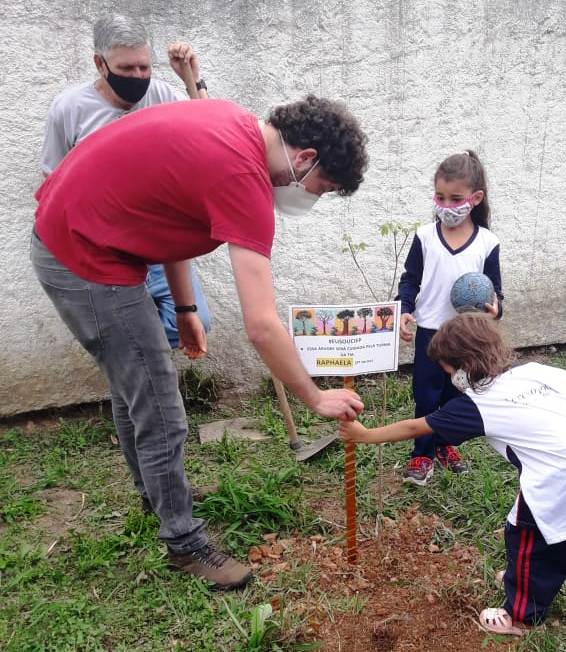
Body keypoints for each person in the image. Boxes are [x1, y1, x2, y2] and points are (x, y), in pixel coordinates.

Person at [31, 93, 368, 589]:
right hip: (79, 253)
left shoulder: (233, 124)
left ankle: (157, 497)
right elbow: (261, 324)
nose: (315, 197)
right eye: (324, 186)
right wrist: (315, 397)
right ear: (304, 158)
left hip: (91, 236)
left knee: (136, 382)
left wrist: (186, 309)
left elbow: (168, 220)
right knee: (157, 395)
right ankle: (184, 542)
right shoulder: (244, 179)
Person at [340, 313, 566, 636]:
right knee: (558, 531)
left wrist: (365, 434)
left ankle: (521, 614)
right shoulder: (536, 371)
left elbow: (418, 426)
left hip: (560, 471)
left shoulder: (479, 403)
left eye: (450, 370)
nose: (450, 377)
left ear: (465, 365)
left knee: (523, 534)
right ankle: (524, 578)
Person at [40, 14, 211, 348]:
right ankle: (135, 368)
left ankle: (135, 362)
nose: (137, 77)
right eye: (127, 69)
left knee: (194, 321)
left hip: (159, 248)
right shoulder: (70, 109)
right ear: (100, 64)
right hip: (106, 251)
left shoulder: (162, 96)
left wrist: (194, 79)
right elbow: (54, 182)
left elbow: (212, 132)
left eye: (144, 67)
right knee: (124, 334)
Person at [396, 150, 503, 485]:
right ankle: (422, 453)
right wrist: (405, 309)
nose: (446, 205)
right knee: (426, 396)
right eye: (440, 197)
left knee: (457, 395)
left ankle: (445, 445)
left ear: (475, 198)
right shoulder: (425, 236)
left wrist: (496, 308)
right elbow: (410, 278)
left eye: (455, 198)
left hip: (466, 337)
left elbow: (496, 291)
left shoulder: (487, 242)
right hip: (430, 331)